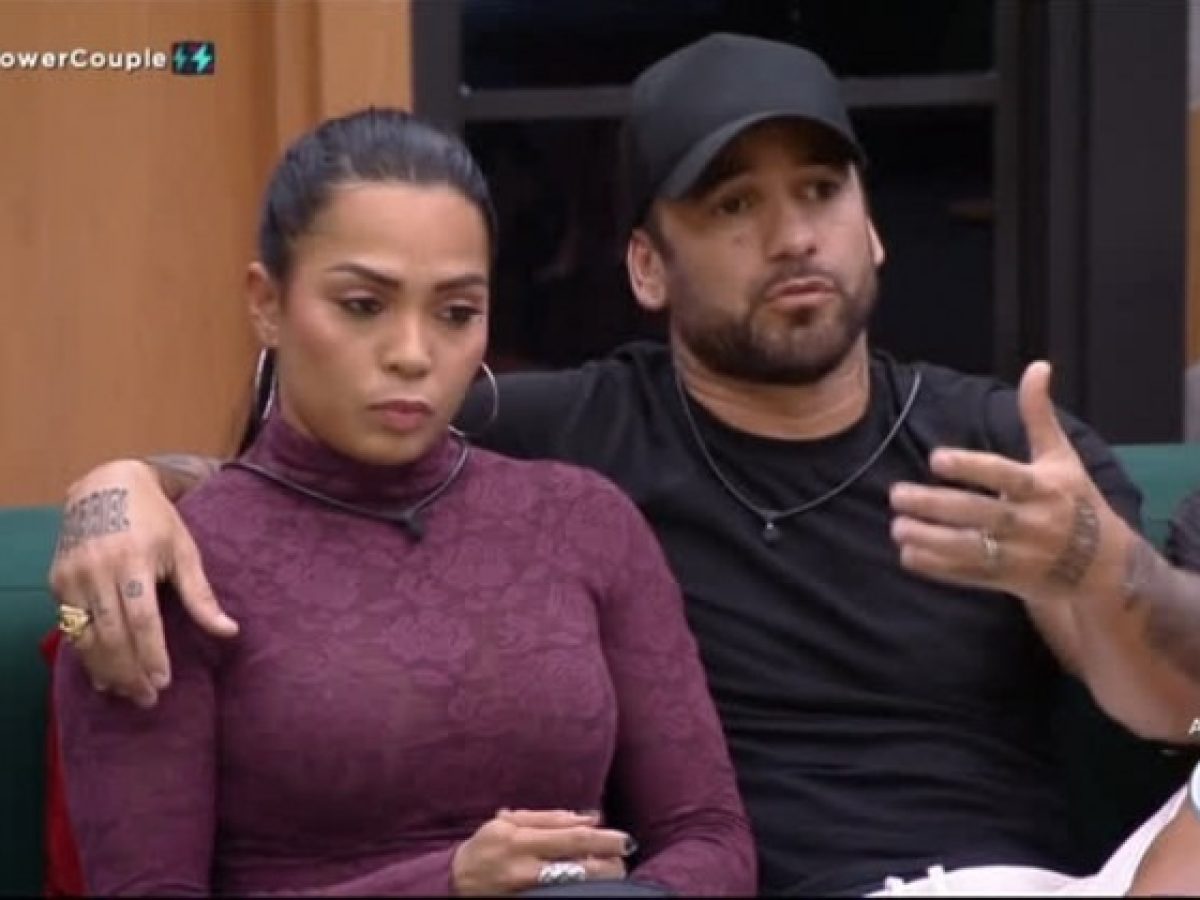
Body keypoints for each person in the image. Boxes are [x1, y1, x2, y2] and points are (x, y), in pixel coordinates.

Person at [49, 33, 1200, 896]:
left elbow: (1175, 706)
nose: (792, 235)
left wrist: (1103, 568)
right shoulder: (574, 434)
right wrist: (116, 489)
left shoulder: (1006, 444)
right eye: (735, 204)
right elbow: (313, 471)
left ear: (873, 224)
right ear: (646, 267)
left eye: (820, 191)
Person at [50, 107, 756, 897]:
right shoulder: (154, 567)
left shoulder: (585, 522)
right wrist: (449, 884)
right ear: (267, 304)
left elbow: (712, 837)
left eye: (456, 313)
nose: (414, 354)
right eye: (363, 305)